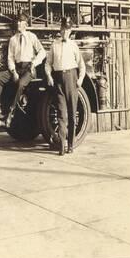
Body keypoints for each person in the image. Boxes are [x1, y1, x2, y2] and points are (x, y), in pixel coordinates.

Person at [0, 13, 46, 126]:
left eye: (21, 21)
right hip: (17, 69)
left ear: (26, 24)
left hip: (29, 69)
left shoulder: (31, 36)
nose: (19, 23)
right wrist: (13, 71)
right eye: (18, 21)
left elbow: (42, 52)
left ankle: (11, 111)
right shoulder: (13, 39)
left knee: (20, 84)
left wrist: (34, 63)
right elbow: (10, 58)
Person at [45, 17, 86, 155]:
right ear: (60, 29)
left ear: (70, 30)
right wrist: (49, 76)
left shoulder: (74, 45)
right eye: (63, 29)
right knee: (61, 113)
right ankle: (62, 146)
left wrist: (80, 79)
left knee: (72, 114)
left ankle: (71, 144)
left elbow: (81, 65)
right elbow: (48, 63)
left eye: (67, 29)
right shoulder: (54, 45)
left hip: (71, 78)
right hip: (58, 80)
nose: (65, 32)